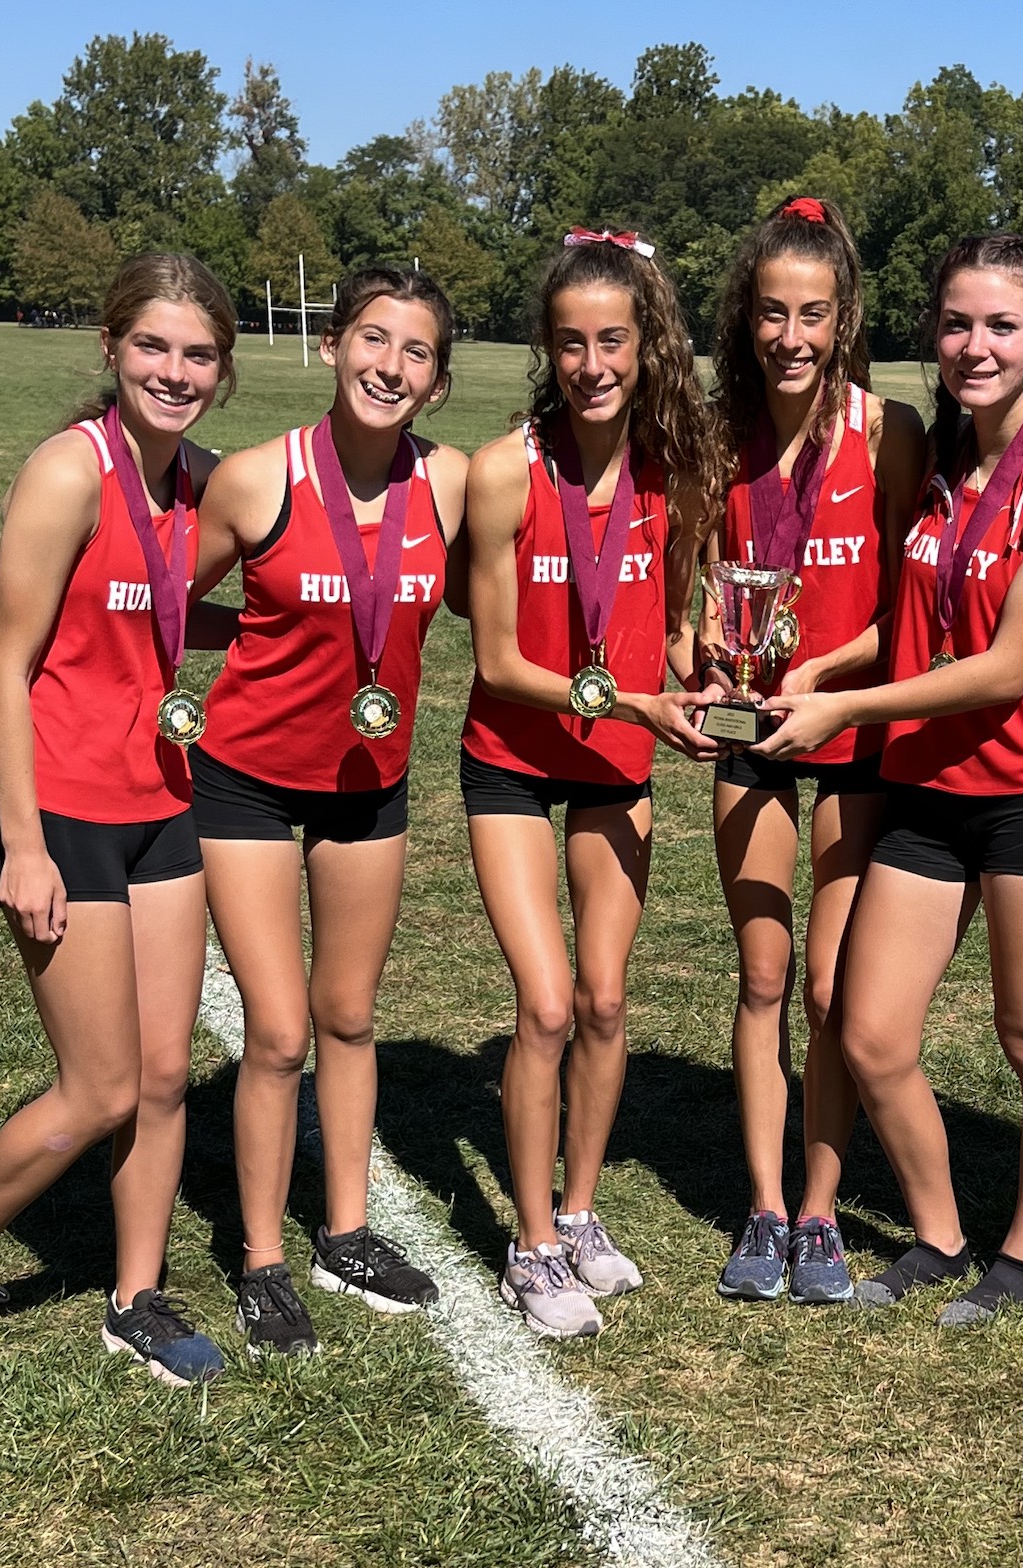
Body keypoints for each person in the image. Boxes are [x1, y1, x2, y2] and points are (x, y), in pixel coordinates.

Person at [0, 254, 237, 1385]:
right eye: (153, 347)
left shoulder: (201, 483)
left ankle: (135, 1294)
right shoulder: (65, 471)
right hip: (67, 814)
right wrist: (26, 843)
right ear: (111, 345)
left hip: (163, 805)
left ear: (221, 371)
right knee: (102, 1087)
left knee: (170, 1073)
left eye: (195, 354)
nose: (172, 372)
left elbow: (174, 606)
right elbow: (9, 663)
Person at [759, 234, 1023, 1326]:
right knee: (867, 1030)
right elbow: (913, 621)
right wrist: (829, 661)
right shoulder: (943, 456)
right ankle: (940, 1227)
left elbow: (1005, 665)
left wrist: (841, 711)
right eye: (957, 324)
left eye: (1001, 325)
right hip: (922, 785)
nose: (975, 345)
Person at [190, 265, 469, 1356]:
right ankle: (262, 1255)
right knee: (277, 1029)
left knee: (349, 1016)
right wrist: (35, 627)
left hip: (371, 783)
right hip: (247, 777)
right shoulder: (259, 479)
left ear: (436, 380)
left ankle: (345, 1230)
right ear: (329, 345)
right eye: (370, 338)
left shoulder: (447, 485)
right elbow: (169, 598)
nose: (387, 365)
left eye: (413, 352)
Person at [454, 229, 724, 1339]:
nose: (591, 363)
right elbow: (499, 661)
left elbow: (677, 617)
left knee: (608, 1001)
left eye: (611, 339)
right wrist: (635, 702)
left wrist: (705, 669)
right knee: (548, 1002)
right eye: (568, 342)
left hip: (616, 762)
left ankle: (578, 1210)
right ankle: (526, 1246)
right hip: (515, 758)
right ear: (545, 349)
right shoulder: (503, 469)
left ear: (645, 340)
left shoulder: (679, 468)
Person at [700, 197, 926, 1303]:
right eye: (772, 314)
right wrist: (705, 633)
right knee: (762, 974)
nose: (791, 336)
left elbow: (907, 608)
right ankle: (760, 1202)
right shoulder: (713, 434)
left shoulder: (886, 431)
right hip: (749, 733)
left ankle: (824, 1211)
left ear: (843, 320)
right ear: (747, 318)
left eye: (813, 315)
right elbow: (698, 580)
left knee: (832, 989)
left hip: (843, 733)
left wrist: (829, 676)